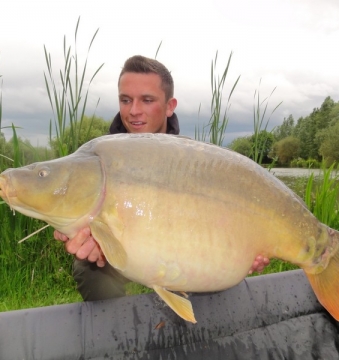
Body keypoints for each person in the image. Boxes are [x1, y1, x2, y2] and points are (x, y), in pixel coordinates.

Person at [54, 55, 269, 301]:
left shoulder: (192, 160)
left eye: (147, 100)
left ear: (169, 106)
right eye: (126, 100)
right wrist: (83, 236)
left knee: (218, 279)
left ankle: (193, 326)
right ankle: (117, 331)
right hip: (127, 251)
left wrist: (244, 251)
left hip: (184, 247)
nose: (134, 111)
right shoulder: (101, 159)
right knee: (88, 269)